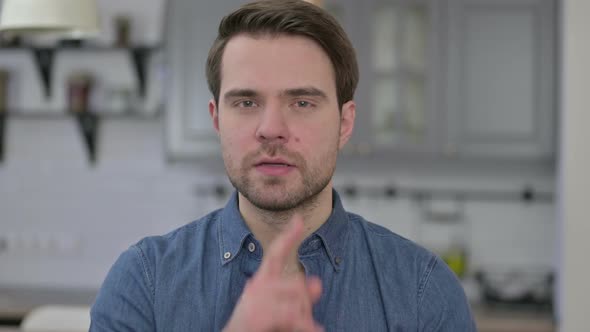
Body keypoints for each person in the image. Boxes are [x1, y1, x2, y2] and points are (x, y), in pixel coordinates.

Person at [90, 0, 476, 330]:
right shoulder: (143, 280)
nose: (271, 129)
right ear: (217, 120)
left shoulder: (425, 292)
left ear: (344, 123)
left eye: (302, 103)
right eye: (246, 102)